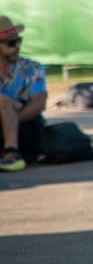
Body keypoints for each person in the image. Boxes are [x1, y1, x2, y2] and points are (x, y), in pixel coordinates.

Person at [0, 16, 45, 171]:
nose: (17, 46)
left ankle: (12, 153)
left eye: (19, 41)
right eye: (11, 43)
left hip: (26, 127)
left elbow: (39, 103)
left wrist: (10, 120)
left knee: (3, 102)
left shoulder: (33, 68)